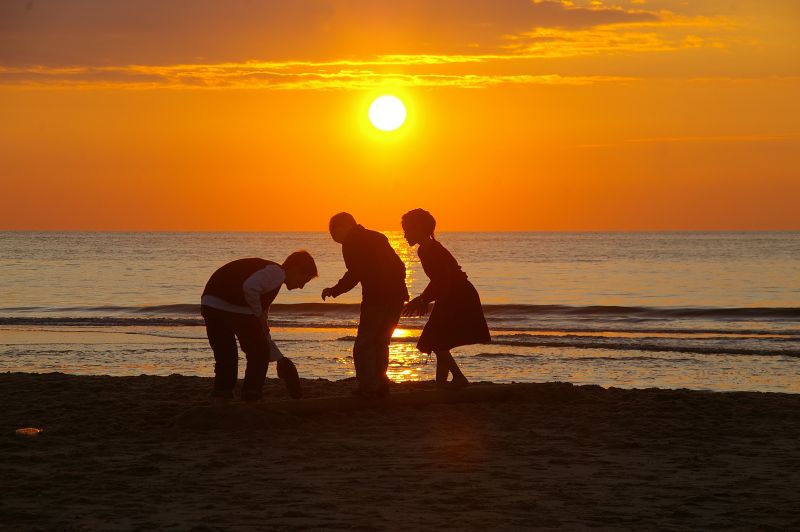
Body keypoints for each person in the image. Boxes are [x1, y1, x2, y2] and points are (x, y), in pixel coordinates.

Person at [201, 251, 318, 402]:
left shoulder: (270, 279)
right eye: (304, 279)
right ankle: (251, 393)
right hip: (232, 306)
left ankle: (222, 392)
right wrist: (256, 314)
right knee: (259, 352)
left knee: (226, 352)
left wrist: (278, 357)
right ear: (295, 269)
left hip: (210, 304)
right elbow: (250, 288)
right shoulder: (277, 273)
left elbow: (262, 325)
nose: (301, 286)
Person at [322, 212, 409, 397]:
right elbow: (400, 266)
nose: (334, 238)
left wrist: (334, 290)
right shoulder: (377, 236)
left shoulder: (351, 242)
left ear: (344, 227)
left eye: (334, 233)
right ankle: (381, 382)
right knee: (382, 341)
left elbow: (354, 273)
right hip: (396, 296)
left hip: (376, 297)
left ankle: (369, 386)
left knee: (364, 343)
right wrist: (399, 289)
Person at [401, 209, 490, 388]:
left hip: (459, 296)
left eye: (407, 230)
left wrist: (422, 299)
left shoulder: (431, 249)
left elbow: (443, 280)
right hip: (451, 295)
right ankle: (441, 384)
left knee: (434, 340)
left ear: (418, 228)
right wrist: (423, 299)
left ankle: (459, 378)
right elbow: (439, 281)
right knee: (438, 340)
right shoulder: (425, 249)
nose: (404, 235)